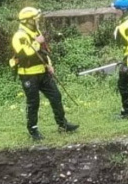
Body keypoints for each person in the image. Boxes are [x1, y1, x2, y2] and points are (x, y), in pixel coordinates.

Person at [9, 7, 78, 141]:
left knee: (56, 96)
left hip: (43, 72)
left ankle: (62, 124)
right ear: (28, 21)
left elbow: (43, 51)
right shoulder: (19, 36)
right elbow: (24, 54)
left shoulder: (36, 32)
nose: (38, 22)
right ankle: (33, 130)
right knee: (33, 103)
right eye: (35, 20)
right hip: (28, 75)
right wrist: (37, 42)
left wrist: (50, 65)